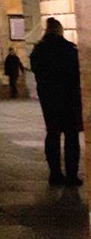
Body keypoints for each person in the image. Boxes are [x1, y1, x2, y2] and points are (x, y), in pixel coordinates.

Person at [30, 18, 83, 187]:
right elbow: (77, 74)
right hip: (69, 98)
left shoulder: (39, 50)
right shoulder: (69, 49)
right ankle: (71, 174)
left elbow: (37, 71)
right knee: (71, 135)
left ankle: (55, 173)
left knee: (53, 133)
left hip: (49, 98)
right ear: (60, 30)